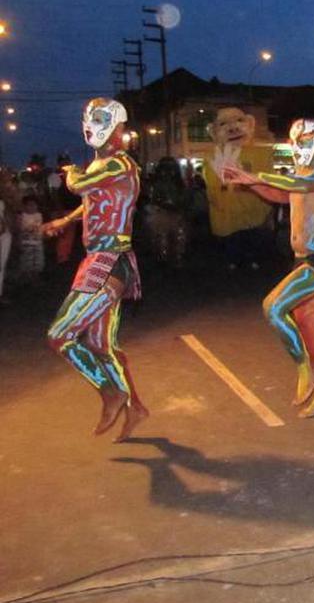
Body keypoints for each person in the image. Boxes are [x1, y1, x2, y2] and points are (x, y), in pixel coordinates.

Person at [42, 98, 147, 441]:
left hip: (108, 261)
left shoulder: (119, 163)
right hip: (101, 259)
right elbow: (91, 200)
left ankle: (110, 392)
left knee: (60, 334)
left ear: (118, 127)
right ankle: (134, 407)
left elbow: (79, 187)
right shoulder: (103, 167)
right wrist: (65, 220)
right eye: (89, 118)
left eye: (100, 119)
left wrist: (71, 172)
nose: (92, 125)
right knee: (101, 344)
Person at [224, 119, 314, 418]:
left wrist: (256, 176)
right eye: (295, 141)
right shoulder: (301, 176)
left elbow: (295, 185)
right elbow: (283, 195)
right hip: (303, 259)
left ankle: (306, 368)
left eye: (306, 140)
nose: (299, 146)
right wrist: (252, 185)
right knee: (307, 326)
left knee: (274, 307)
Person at [203, 107, 274, 270]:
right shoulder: (213, 155)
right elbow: (212, 186)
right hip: (228, 211)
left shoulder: (261, 153)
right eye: (223, 124)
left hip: (254, 209)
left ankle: (252, 259)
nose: (233, 128)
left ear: (250, 124)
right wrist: (222, 181)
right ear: (214, 132)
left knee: (253, 237)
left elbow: (267, 179)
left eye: (239, 121)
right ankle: (233, 261)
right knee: (232, 240)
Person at [146, 157, 189, 268]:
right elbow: (154, 198)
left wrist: (178, 204)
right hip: (163, 213)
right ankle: (164, 260)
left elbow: (184, 197)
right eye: (166, 168)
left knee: (176, 238)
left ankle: (173, 259)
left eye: (171, 168)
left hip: (175, 213)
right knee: (163, 238)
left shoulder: (178, 183)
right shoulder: (159, 183)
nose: (169, 171)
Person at [16, 195, 45, 284]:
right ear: (24, 206)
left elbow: (41, 228)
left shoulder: (39, 215)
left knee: (38, 259)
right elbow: (18, 229)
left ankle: (36, 276)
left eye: (34, 205)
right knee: (27, 259)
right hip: (26, 242)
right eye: (29, 205)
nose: (32, 207)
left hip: (37, 242)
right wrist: (19, 240)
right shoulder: (21, 216)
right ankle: (28, 277)